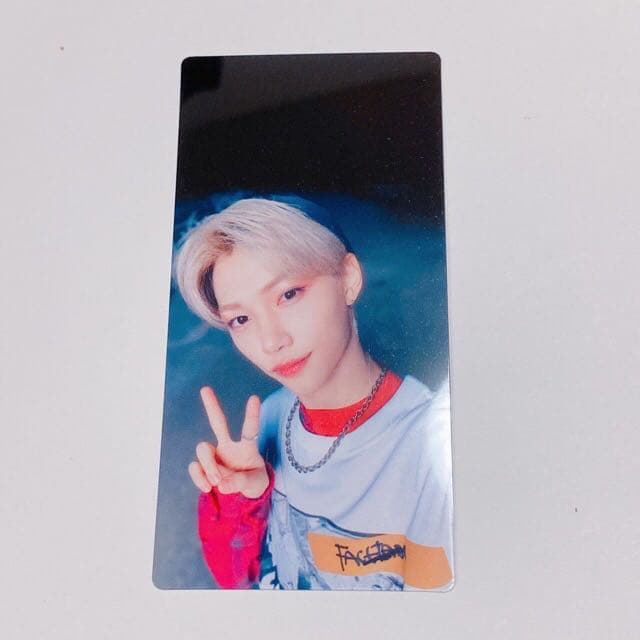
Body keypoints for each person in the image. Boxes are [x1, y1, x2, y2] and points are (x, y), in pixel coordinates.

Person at [173, 196, 453, 590]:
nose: (271, 341)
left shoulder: (431, 449)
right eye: (241, 319)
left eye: (288, 295)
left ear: (348, 279)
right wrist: (239, 503)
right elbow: (239, 584)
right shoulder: (272, 415)